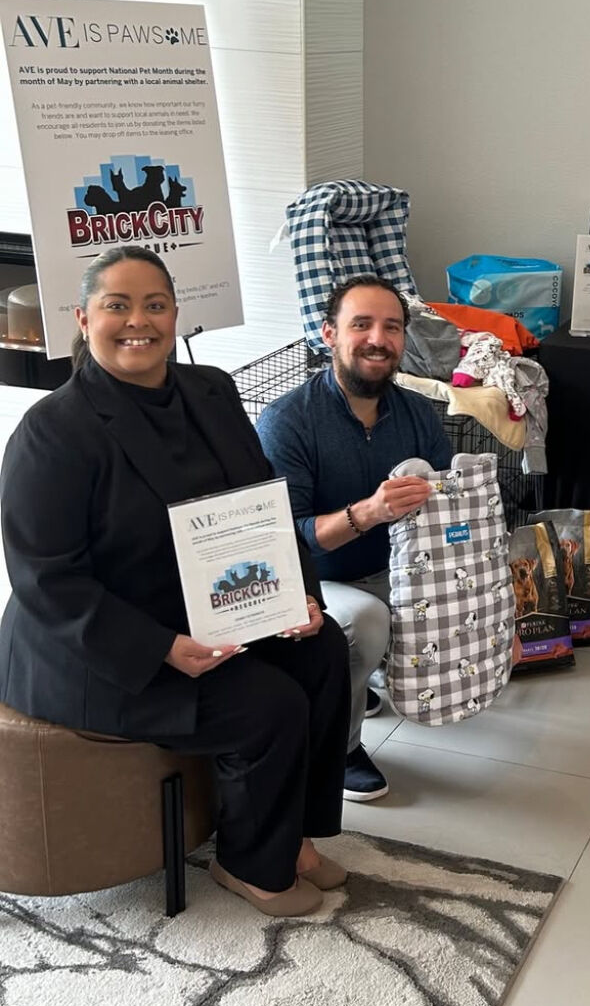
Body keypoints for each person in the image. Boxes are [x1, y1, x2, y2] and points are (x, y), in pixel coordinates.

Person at [0, 247, 351, 918]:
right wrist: (160, 646)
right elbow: (46, 580)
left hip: (208, 609)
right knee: (268, 702)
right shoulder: (53, 432)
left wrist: (299, 595)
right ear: (82, 317)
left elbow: (262, 505)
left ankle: (293, 839)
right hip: (94, 647)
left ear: (175, 315)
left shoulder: (210, 390)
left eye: (154, 305)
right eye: (117, 305)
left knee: (323, 650)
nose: (139, 321)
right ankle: (249, 864)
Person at [256, 276, 452, 801]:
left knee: (447, 613)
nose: (377, 339)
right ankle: (338, 751)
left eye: (391, 327)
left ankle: (357, 681)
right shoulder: (287, 422)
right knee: (366, 620)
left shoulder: (417, 414)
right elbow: (285, 540)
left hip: (395, 570)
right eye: (360, 324)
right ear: (328, 334)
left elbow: (451, 511)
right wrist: (369, 512)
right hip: (314, 581)